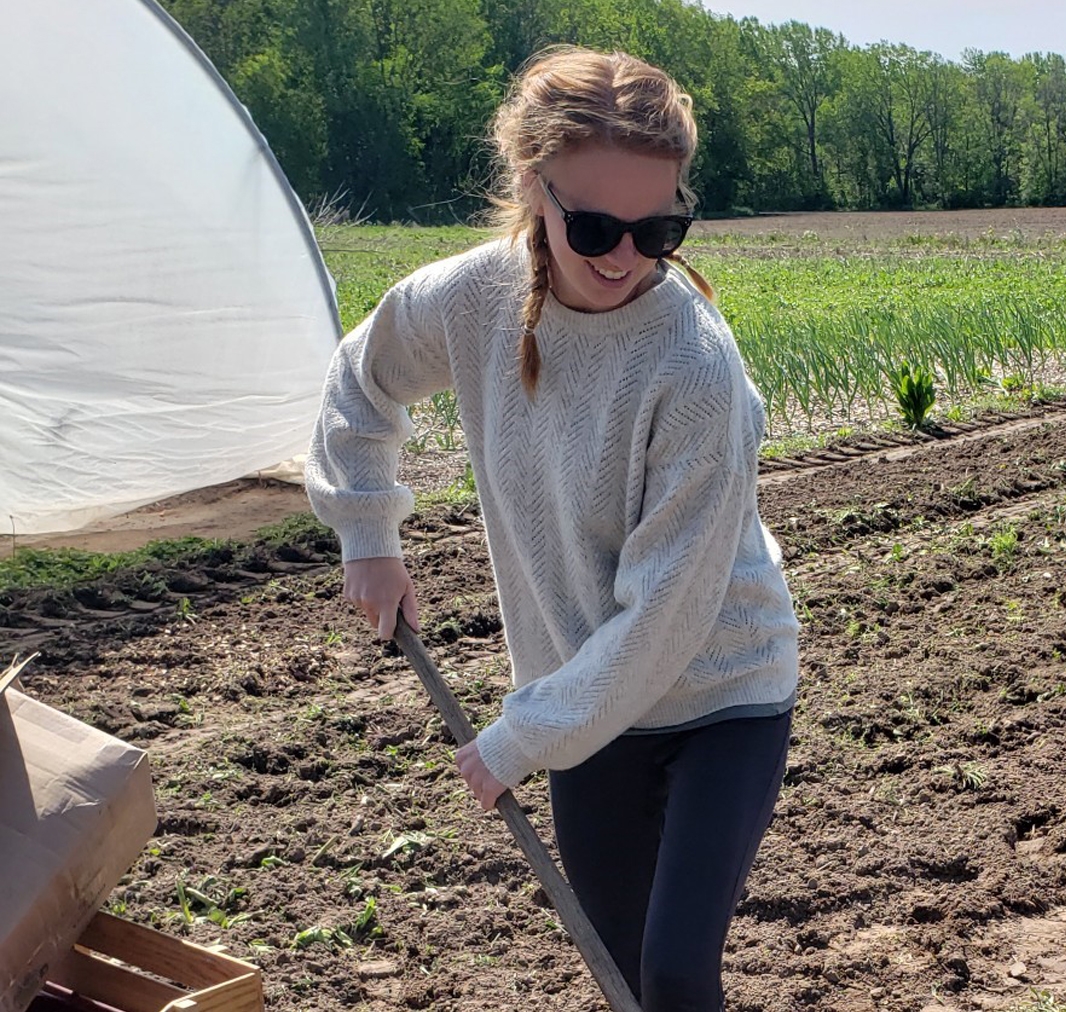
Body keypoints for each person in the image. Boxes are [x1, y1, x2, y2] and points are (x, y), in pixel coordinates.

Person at [304, 47, 800, 1012]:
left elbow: (668, 616)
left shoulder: (695, 367)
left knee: (674, 972)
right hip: (584, 693)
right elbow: (358, 381)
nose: (624, 255)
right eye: (597, 225)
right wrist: (368, 530)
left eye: (659, 228)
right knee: (618, 967)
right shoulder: (469, 302)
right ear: (535, 189)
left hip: (722, 689)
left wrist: (518, 738)